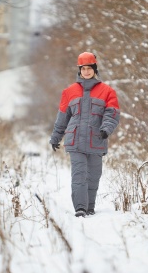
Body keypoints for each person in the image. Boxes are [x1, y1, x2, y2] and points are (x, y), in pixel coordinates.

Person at [49, 52, 120, 217]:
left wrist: (106, 129)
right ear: (79, 70)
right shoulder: (69, 92)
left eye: (89, 68)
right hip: (75, 141)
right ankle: (80, 208)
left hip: (97, 139)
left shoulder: (107, 91)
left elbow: (112, 114)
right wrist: (55, 137)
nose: (86, 72)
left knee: (94, 176)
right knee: (79, 174)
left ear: (95, 69)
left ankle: (89, 207)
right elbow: (62, 117)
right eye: (83, 68)